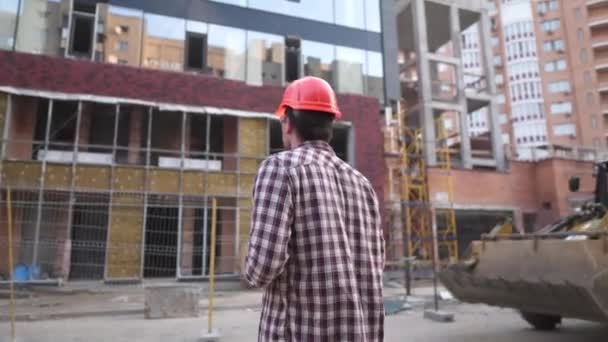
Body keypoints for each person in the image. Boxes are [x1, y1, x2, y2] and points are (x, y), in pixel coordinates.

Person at [244, 76, 385, 341]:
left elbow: (261, 269)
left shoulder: (280, 169)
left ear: (287, 122)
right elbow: (376, 265)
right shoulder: (363, 185)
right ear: (330, 124)